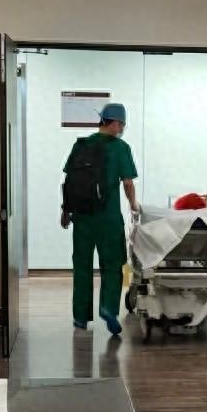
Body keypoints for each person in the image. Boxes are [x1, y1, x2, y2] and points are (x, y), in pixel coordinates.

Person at [61, 102, 139, 334]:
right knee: (113, 266)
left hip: (82, 219)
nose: (122, 129)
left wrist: (65, 211)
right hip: (109, 219)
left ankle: (80, 317)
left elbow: (69, 182)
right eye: (121, 125)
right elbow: (127, 182)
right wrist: (133, 204)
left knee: (82, 267)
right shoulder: (120, 148)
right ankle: (108, 309)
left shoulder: (80, 146)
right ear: (114, 123)